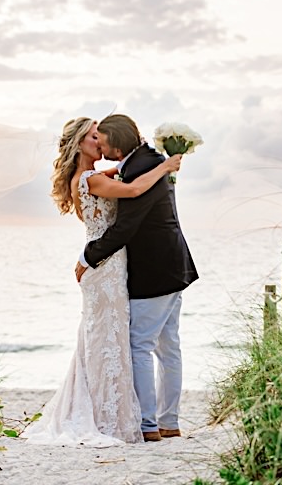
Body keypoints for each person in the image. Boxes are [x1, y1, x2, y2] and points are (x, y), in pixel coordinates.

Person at [22, 116, 182, 446]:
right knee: (111, 341)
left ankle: (119, 412)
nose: (100, 142)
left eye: (101, 136)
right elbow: (135, 187)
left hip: (109, 266)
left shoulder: (92, 176)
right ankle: (130, 419)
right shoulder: (89, 180)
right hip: (105, 266)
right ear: (80, 144)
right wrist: (166, 167)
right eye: (94, 137)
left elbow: (123, 170)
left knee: (106, 340)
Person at [78, 114, 199, 442]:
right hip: (175, 265)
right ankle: (169, 421)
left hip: (156, 270)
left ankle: (148, 424)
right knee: (168, 346)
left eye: (102, 141)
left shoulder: (141, 166)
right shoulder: (148, 160)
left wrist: (88, 257)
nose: (100, 147)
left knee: (140, 345)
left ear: (117, 145)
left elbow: (126, 227)